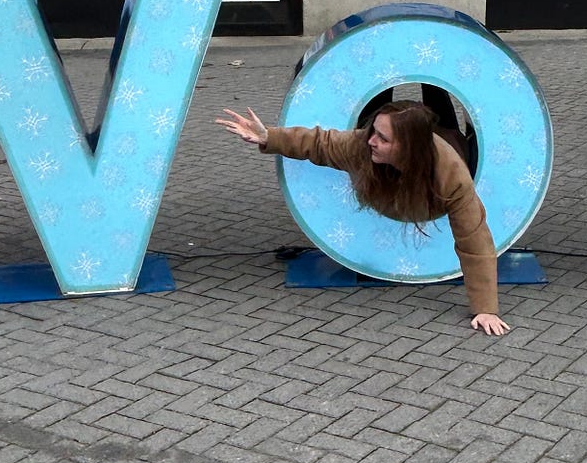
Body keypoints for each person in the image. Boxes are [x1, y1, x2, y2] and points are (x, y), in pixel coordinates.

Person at [217, 101, 509, 335]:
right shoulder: (364, 146)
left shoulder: (452, 177)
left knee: (443, 116)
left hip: (451, 145)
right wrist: (270, 136)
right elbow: (321, 143)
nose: (371, 140)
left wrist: (486, 308)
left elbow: (474, 240)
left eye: (382, 138)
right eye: (373, 131)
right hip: (406, 173)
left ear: (406, 147)